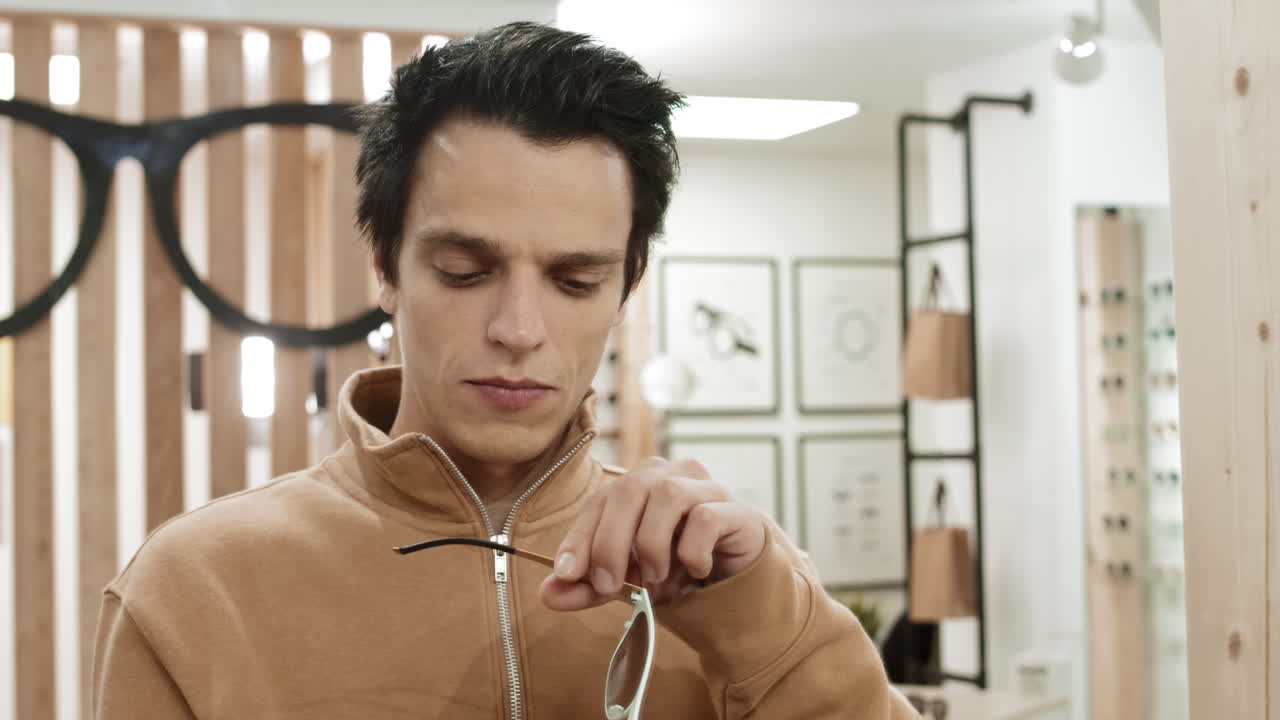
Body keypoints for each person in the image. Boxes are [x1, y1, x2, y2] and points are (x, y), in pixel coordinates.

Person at [92, 21, 916, 719]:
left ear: (626, 287)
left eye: (574, 281)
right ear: (385, 265)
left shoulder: (719, 574)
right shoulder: (197, 589)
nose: (518, 330)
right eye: (464, 270)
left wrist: (760, 617)